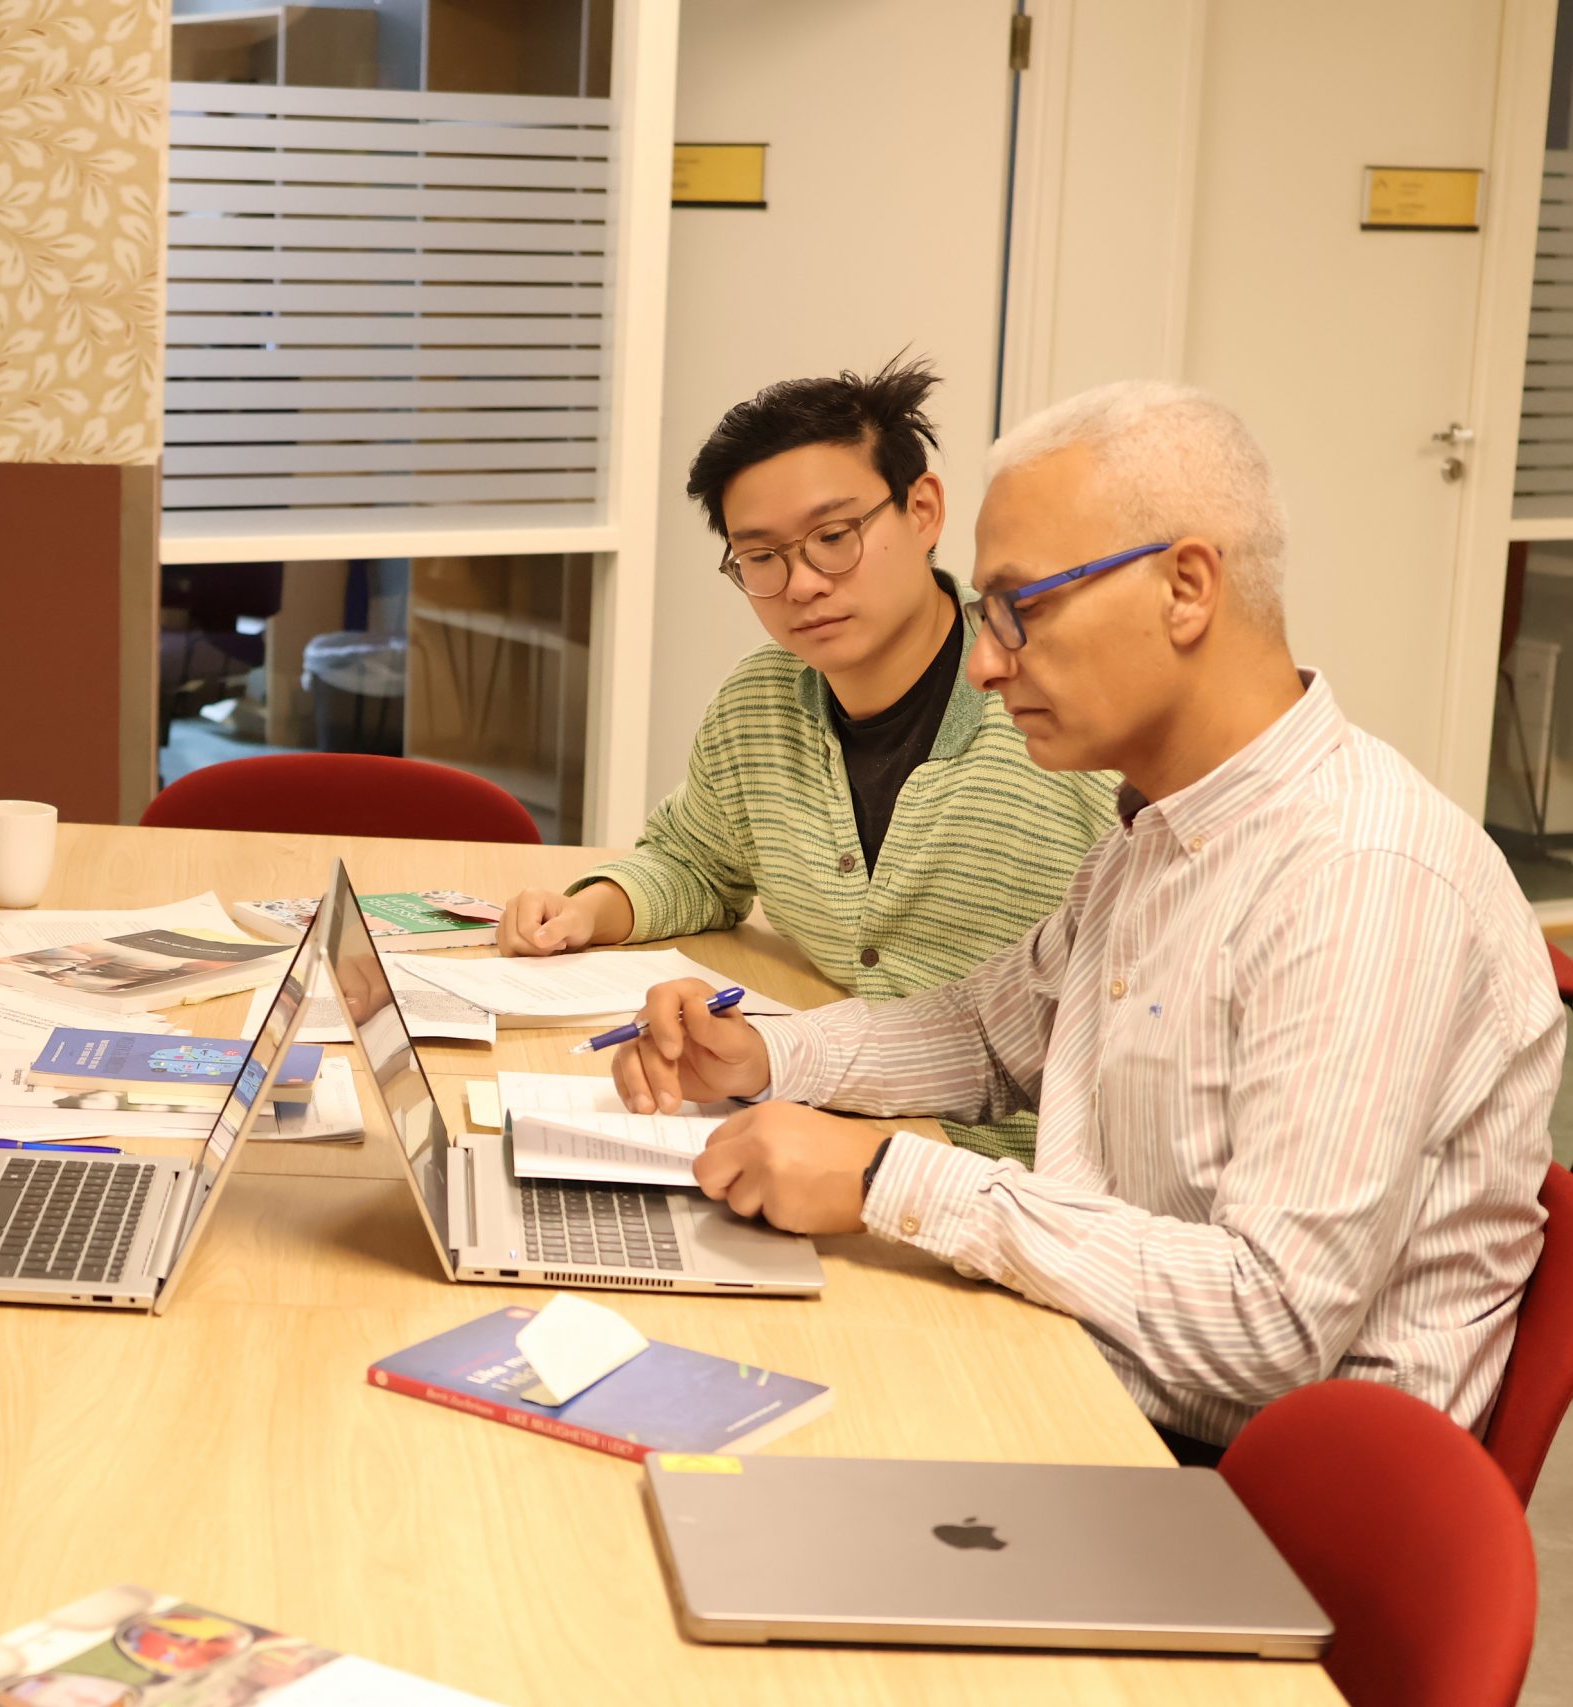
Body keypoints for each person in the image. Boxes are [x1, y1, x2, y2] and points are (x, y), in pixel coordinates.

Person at [613, 381, 1560, 1459]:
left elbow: (1272, 1322)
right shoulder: (1156, 832)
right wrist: (764, 1057)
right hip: (1084, 1377)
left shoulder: (1357, 876)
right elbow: (983, 1033)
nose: (983, 661)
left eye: (1023, 608)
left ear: (1186, 588)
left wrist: (886, 1177)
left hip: (1236, 1495)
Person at [500, 357, 1118, 1164]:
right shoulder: (764, 701)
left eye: (834, 538)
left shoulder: (1058, 723)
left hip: (1007, 1177)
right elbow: (697, 858)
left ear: (923, 510)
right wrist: (589, 908)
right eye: (761, 557)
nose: (801, 584)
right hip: (826, 1121)